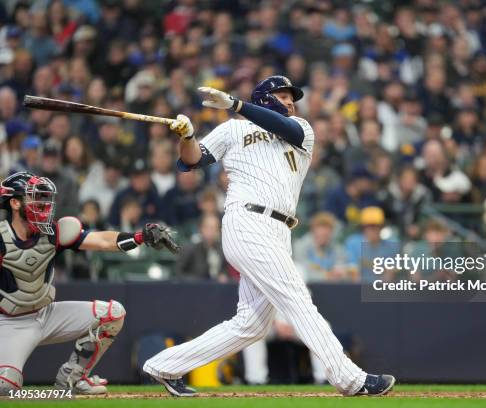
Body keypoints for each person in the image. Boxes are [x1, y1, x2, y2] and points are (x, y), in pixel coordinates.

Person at [143, 75, 395, 397]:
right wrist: (188, 136)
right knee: (297, 299)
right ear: (264, 97)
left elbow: (283, 127)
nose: (291, 102)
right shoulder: (235, 129)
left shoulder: (302, 129)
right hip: (247, 220)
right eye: (284, 95)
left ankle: (164, 365)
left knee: (251, 325)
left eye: (293, 97)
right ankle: (350, 379)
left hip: (279, 230)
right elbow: (191, 161)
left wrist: (236, 104)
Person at [0, 171, 178, 395]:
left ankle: (72, 379)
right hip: (10, 323)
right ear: (15, 203)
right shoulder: (2, 237)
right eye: (35, 197)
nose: (43, 204)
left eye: (44, 198)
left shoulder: (54, 231)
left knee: (113, 314)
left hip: (46, 314)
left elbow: (102, 241)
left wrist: (139, 237)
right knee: (5, 388)